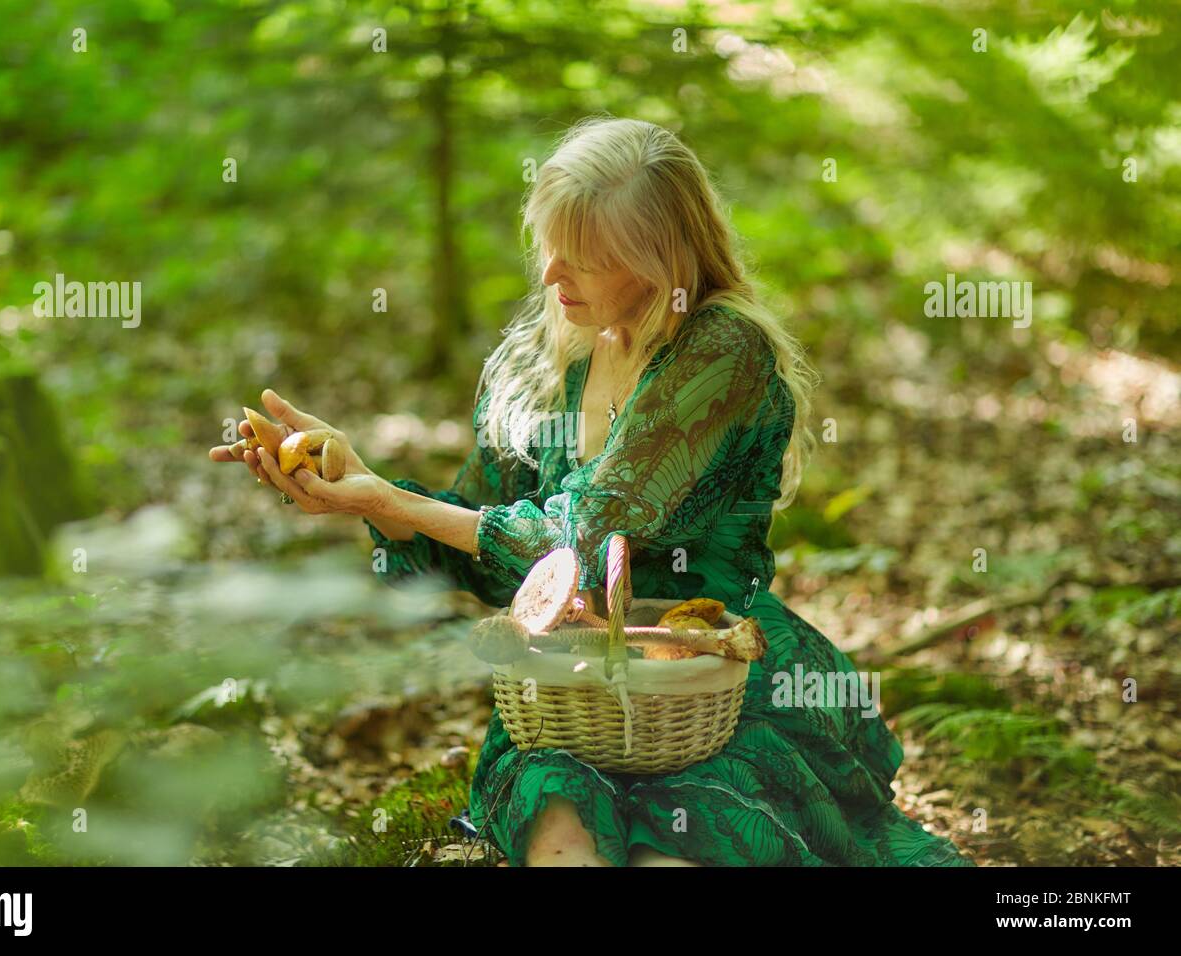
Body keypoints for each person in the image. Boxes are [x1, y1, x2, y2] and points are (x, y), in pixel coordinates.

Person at [210, 116, 973, 868]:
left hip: (710, 692)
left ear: (660, 261)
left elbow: (576, 537)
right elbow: (486, 553)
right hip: (565, 702)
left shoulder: (716, 352)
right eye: (549, 248)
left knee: (680, 841)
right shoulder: (540, 362)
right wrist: (353, 478)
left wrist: (386, 502)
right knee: (560, 831)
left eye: (584, 258)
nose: (549, 276)